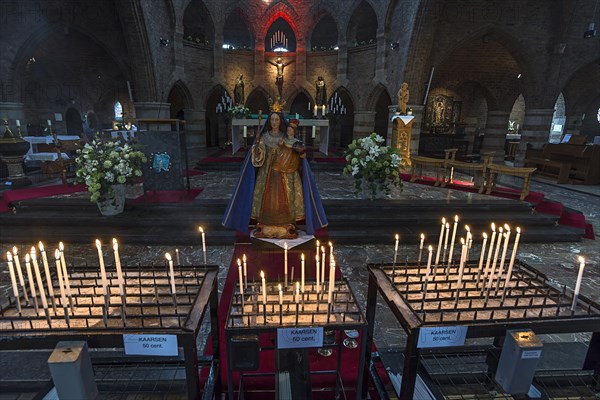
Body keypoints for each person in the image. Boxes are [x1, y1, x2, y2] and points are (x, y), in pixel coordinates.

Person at [222, 113, 327, 238]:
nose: (274, 122)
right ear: (269, 121)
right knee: (265, 195)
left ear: (280, 122)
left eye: (277, 119)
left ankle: (285, 222)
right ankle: (266, 222)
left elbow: (297, 153)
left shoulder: (286, 136)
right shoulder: (264, 137)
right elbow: (257, 156)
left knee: (286, 195)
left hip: (284, 172)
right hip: (267, 172)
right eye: (272, 119)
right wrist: (257, 148)